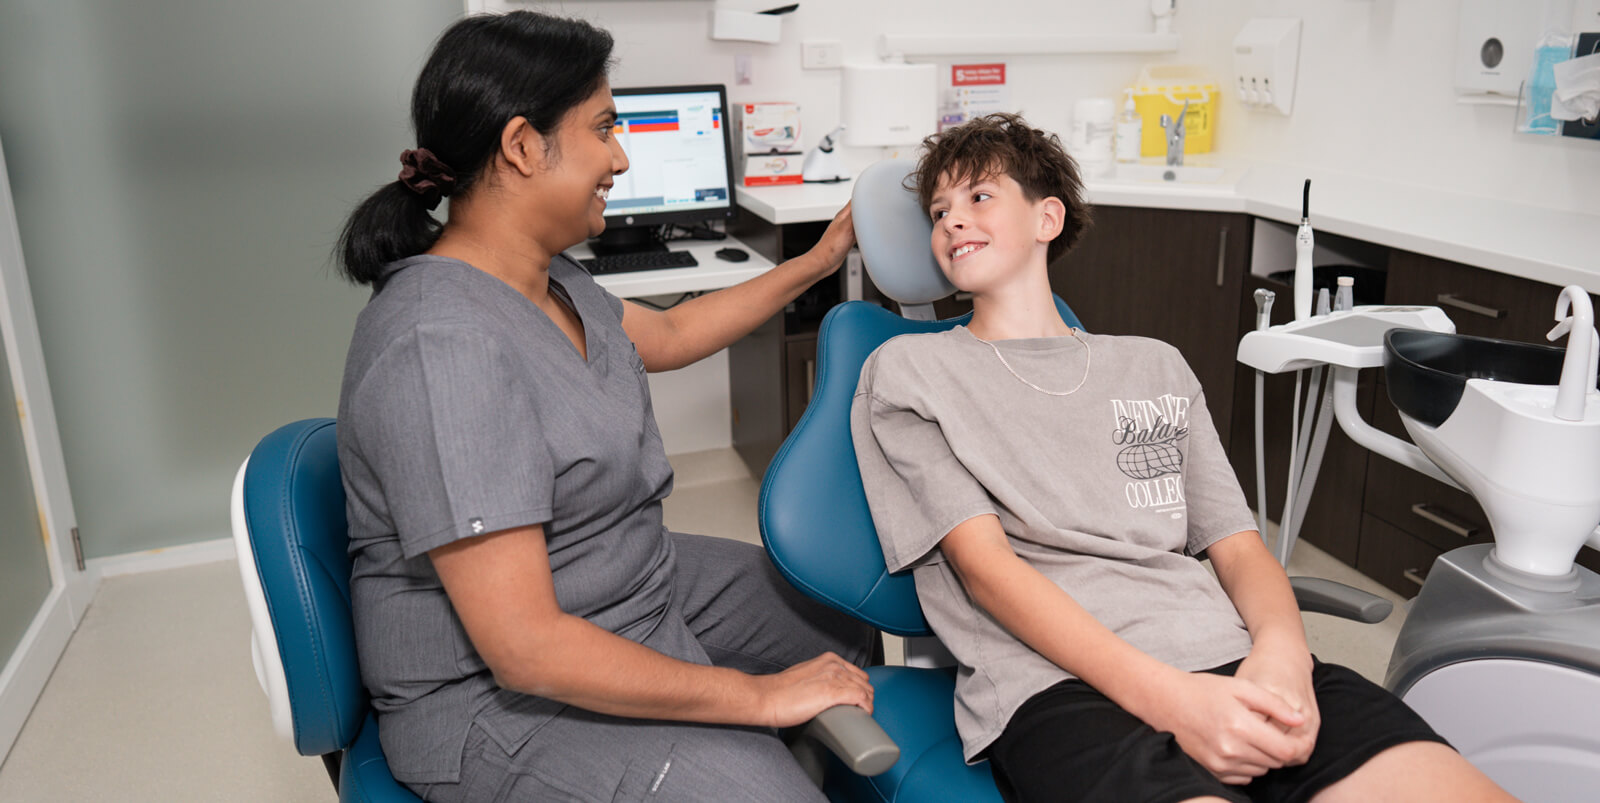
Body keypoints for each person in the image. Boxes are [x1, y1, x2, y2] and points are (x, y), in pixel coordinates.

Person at [849, 113, 1515, 803]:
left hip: (1231, 656)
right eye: (938, 211)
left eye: (978, 196)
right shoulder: (909, 372)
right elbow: (987, 573)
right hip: (1059, 689)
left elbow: (1239, 547)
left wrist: (1283, 657)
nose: (953, 220)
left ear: (1047, 217)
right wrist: (1178, 702)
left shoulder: (1153, 366)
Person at [334, 11, 875, 802]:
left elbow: (678, 328)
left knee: (838, 619)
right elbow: (528, 649)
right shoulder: (443, 347)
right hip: (496, 696)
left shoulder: (546, 280)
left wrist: (818, 261)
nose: (620, 157)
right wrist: (757, 698)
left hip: (630, 582)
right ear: (521, 146)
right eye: (604, 129)